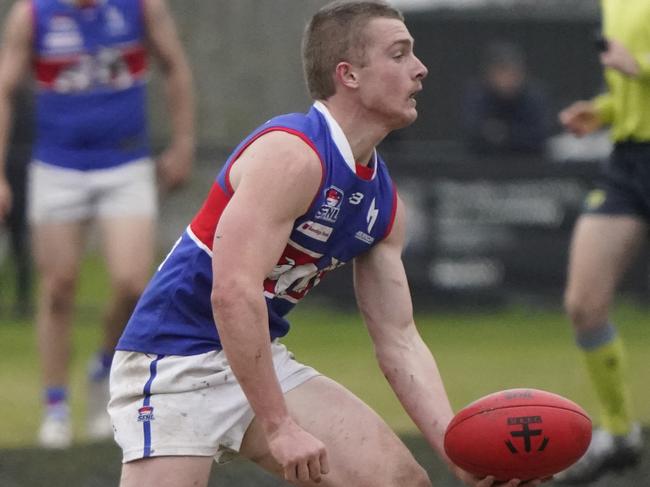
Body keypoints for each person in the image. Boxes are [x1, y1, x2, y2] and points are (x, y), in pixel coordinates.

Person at [108, 2, 547, 487]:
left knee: (403, 483)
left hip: (255, 356)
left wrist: (457, 449)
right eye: (399, 55)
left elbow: (399, 339)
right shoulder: (292, 155)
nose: (420, 70)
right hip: (172, 362)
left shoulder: (382, 199)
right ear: (349, 75)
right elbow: (231, 291)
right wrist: (279, 426)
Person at [0, 0, 195, 449]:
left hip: (124, 162)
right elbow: (6, 89)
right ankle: (55, 405)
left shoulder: (142, 8)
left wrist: (182, 144)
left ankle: (104, 366)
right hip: (57, 166)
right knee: (59, 285)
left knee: (131, 283)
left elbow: (176, 69)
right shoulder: (32, 14)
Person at [555, 1, 648, 483]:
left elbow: (640, 70)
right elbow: (633, 90)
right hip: (630, 161)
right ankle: (619, 431)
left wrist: (643, 68)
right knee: (584, 304)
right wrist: (605, 110)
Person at [461, 41, 550, 156]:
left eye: (513, 73)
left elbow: (539, 136)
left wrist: (505, 134)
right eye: (502, 72)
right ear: (489, 74)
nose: (508, 79)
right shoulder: (477, 95)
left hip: (528, 164)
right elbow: (472, 133)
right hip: (484, 165)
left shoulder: (534, 97)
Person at [1, 84, 33, 318]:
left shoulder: (25, 100)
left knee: (20, 241)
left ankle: (23, 299)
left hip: (21, 175)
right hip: (13, 172)